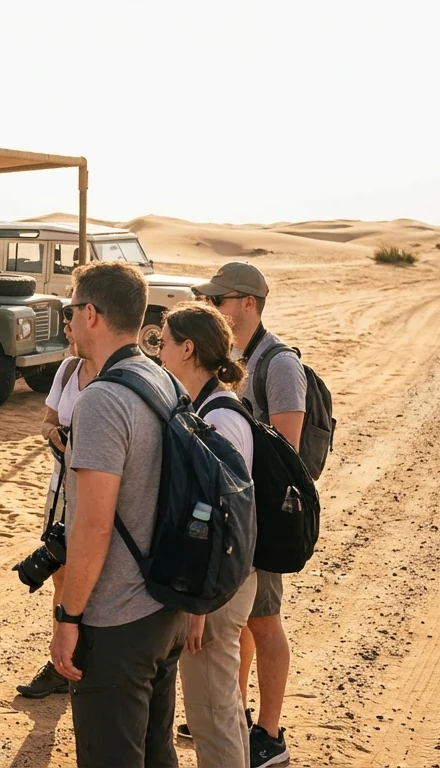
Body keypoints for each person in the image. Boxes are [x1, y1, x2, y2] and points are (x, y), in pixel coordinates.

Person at [49, 261, 187, 768]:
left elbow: (94, 523)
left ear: (90, 314)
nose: (68, 321)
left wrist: (69, 617)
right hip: (162, 607)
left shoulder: (103, 399)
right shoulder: (162, 379)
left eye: (70, 310)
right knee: (156, 755)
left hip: (117, 620)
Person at [193, 262, 305, 768]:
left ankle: (270, 733)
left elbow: (287, 453)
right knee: (241, 622)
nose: (214, 308)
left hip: (262, 518)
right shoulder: (235, 356)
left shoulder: (278, 363)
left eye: (220, 300)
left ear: (249, 304)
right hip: (238, 519)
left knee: (264, 621)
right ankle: (233, 716)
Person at [158, 302, 259, 768]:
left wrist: (199, 603)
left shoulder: (220, 418)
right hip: (223, 579)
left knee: (210, 714)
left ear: (188, 348)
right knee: (224, 708)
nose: (159, 353)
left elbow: (218, 516)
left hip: (217, 585)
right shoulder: (208, 407)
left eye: (162, 343)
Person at [17, 331, 95, 698]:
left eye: (72, 318)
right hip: (61, 488)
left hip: (97, 494)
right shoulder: (67, 370)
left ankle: (90, 663)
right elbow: (46, 421)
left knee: (96, 576)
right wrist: (55, 434)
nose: (66, 330)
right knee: (61, 574)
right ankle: (62, 664)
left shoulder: (119, 374)